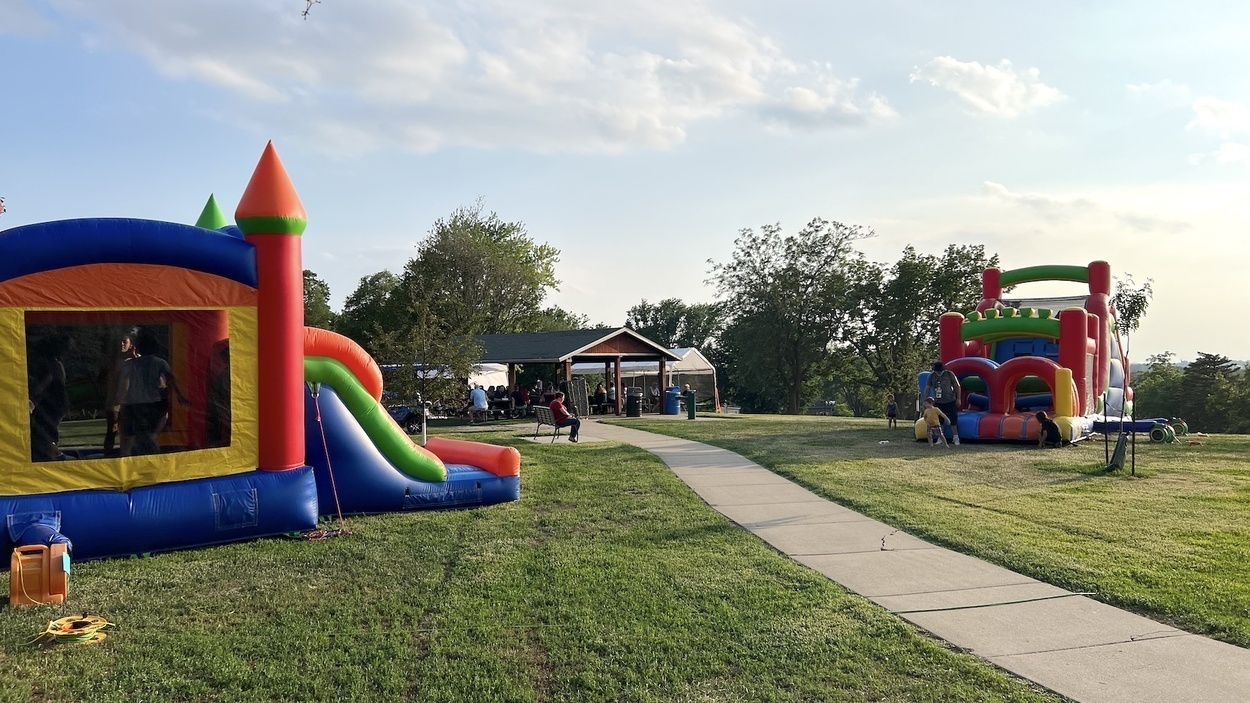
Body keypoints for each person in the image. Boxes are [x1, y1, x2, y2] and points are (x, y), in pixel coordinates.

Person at [115, 331, 189, 456]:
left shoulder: (130, 364)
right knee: (150, 435)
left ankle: (136, 457)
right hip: (155, 403)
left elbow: (124, 385)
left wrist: (120, 402)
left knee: (137, 435)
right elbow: (171, 379)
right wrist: (180, 396)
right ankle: (152, 454)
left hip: (135, 403)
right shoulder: (160, 362)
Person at [28, 334, 71, 462]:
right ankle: (52, 452)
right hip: (57, 403)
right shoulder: (56, 365)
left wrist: (34, 395)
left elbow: (44, 384)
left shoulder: (52, 366)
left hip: (54, 404)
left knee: (43, 430)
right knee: (44, 430)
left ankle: (54, 454)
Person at [101, 331, 138, 456]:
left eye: (125, 341)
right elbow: (114, 371)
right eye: (120, 342)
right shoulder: (113, 359)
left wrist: (134, 357)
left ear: (130, 344)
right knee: (112, 429)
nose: (122, 344)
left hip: (130, 402)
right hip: (114, 402)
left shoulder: (136, 359)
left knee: (129, 432)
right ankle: (108, 455)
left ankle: (126, 454)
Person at [924, 362, 961, 445]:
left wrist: (958, 398)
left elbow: (957, 386)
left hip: (950, 400)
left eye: (940, 371)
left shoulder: (949, 374)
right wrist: (925, 400)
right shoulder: (932, 376)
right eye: (937, 371)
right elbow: (927, 387)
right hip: (938, 402)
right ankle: (940, 438)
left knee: (953, 420)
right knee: (938, 421)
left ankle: (955, 437)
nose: (939, 373)